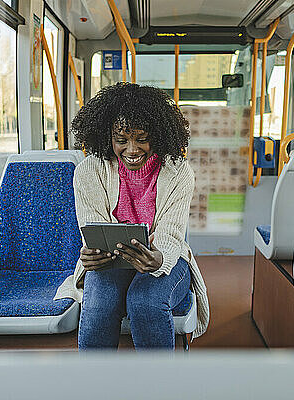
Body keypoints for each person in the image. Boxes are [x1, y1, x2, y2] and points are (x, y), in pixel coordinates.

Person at [54, 82, 209, 350]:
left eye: (141, 138)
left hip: (164, 258)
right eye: (122, 140)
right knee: (100, 303)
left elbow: (170, 235)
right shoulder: (89, 172)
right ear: (107, 137)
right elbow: (92, 228)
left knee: (145, 301)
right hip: (111, 262)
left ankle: (157, 387)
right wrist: (91, 254)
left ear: (158, 135)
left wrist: (158, 259)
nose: (132, 150)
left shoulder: (179, 172)